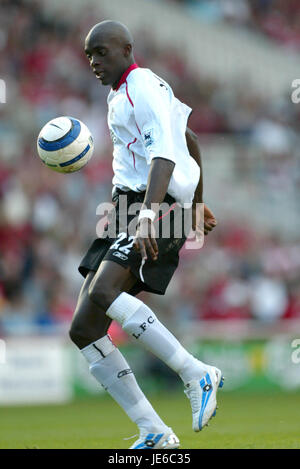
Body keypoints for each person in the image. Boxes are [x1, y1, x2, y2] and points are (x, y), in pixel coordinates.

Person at [69, 20, 223, 450]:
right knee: (83, 329)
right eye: (89, 56)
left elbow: (164, 155)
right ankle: (154, 431)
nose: (94, 62)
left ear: (126, 49)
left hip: (153, 206)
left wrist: (151, 216)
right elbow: (188, 137)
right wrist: (198, 203)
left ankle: (197, 373)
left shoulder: (143, 87)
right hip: (128, 207)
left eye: (101, 52)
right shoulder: (120, 92)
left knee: (103, 294)